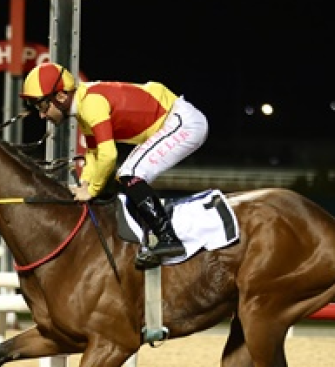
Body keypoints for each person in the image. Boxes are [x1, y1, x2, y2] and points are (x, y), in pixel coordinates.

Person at [19, 62, 209, 267]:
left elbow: (108, 156)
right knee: (125, 176)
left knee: (130, 173)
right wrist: (84, 184)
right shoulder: (82, 106)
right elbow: (94, 153)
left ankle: (168, 239)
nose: (41, 115)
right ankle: (148, 237)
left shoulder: (90, 104)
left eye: (43, 106)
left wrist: (92, 190)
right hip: (174, 121)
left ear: (62, 96)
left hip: (183, 123)